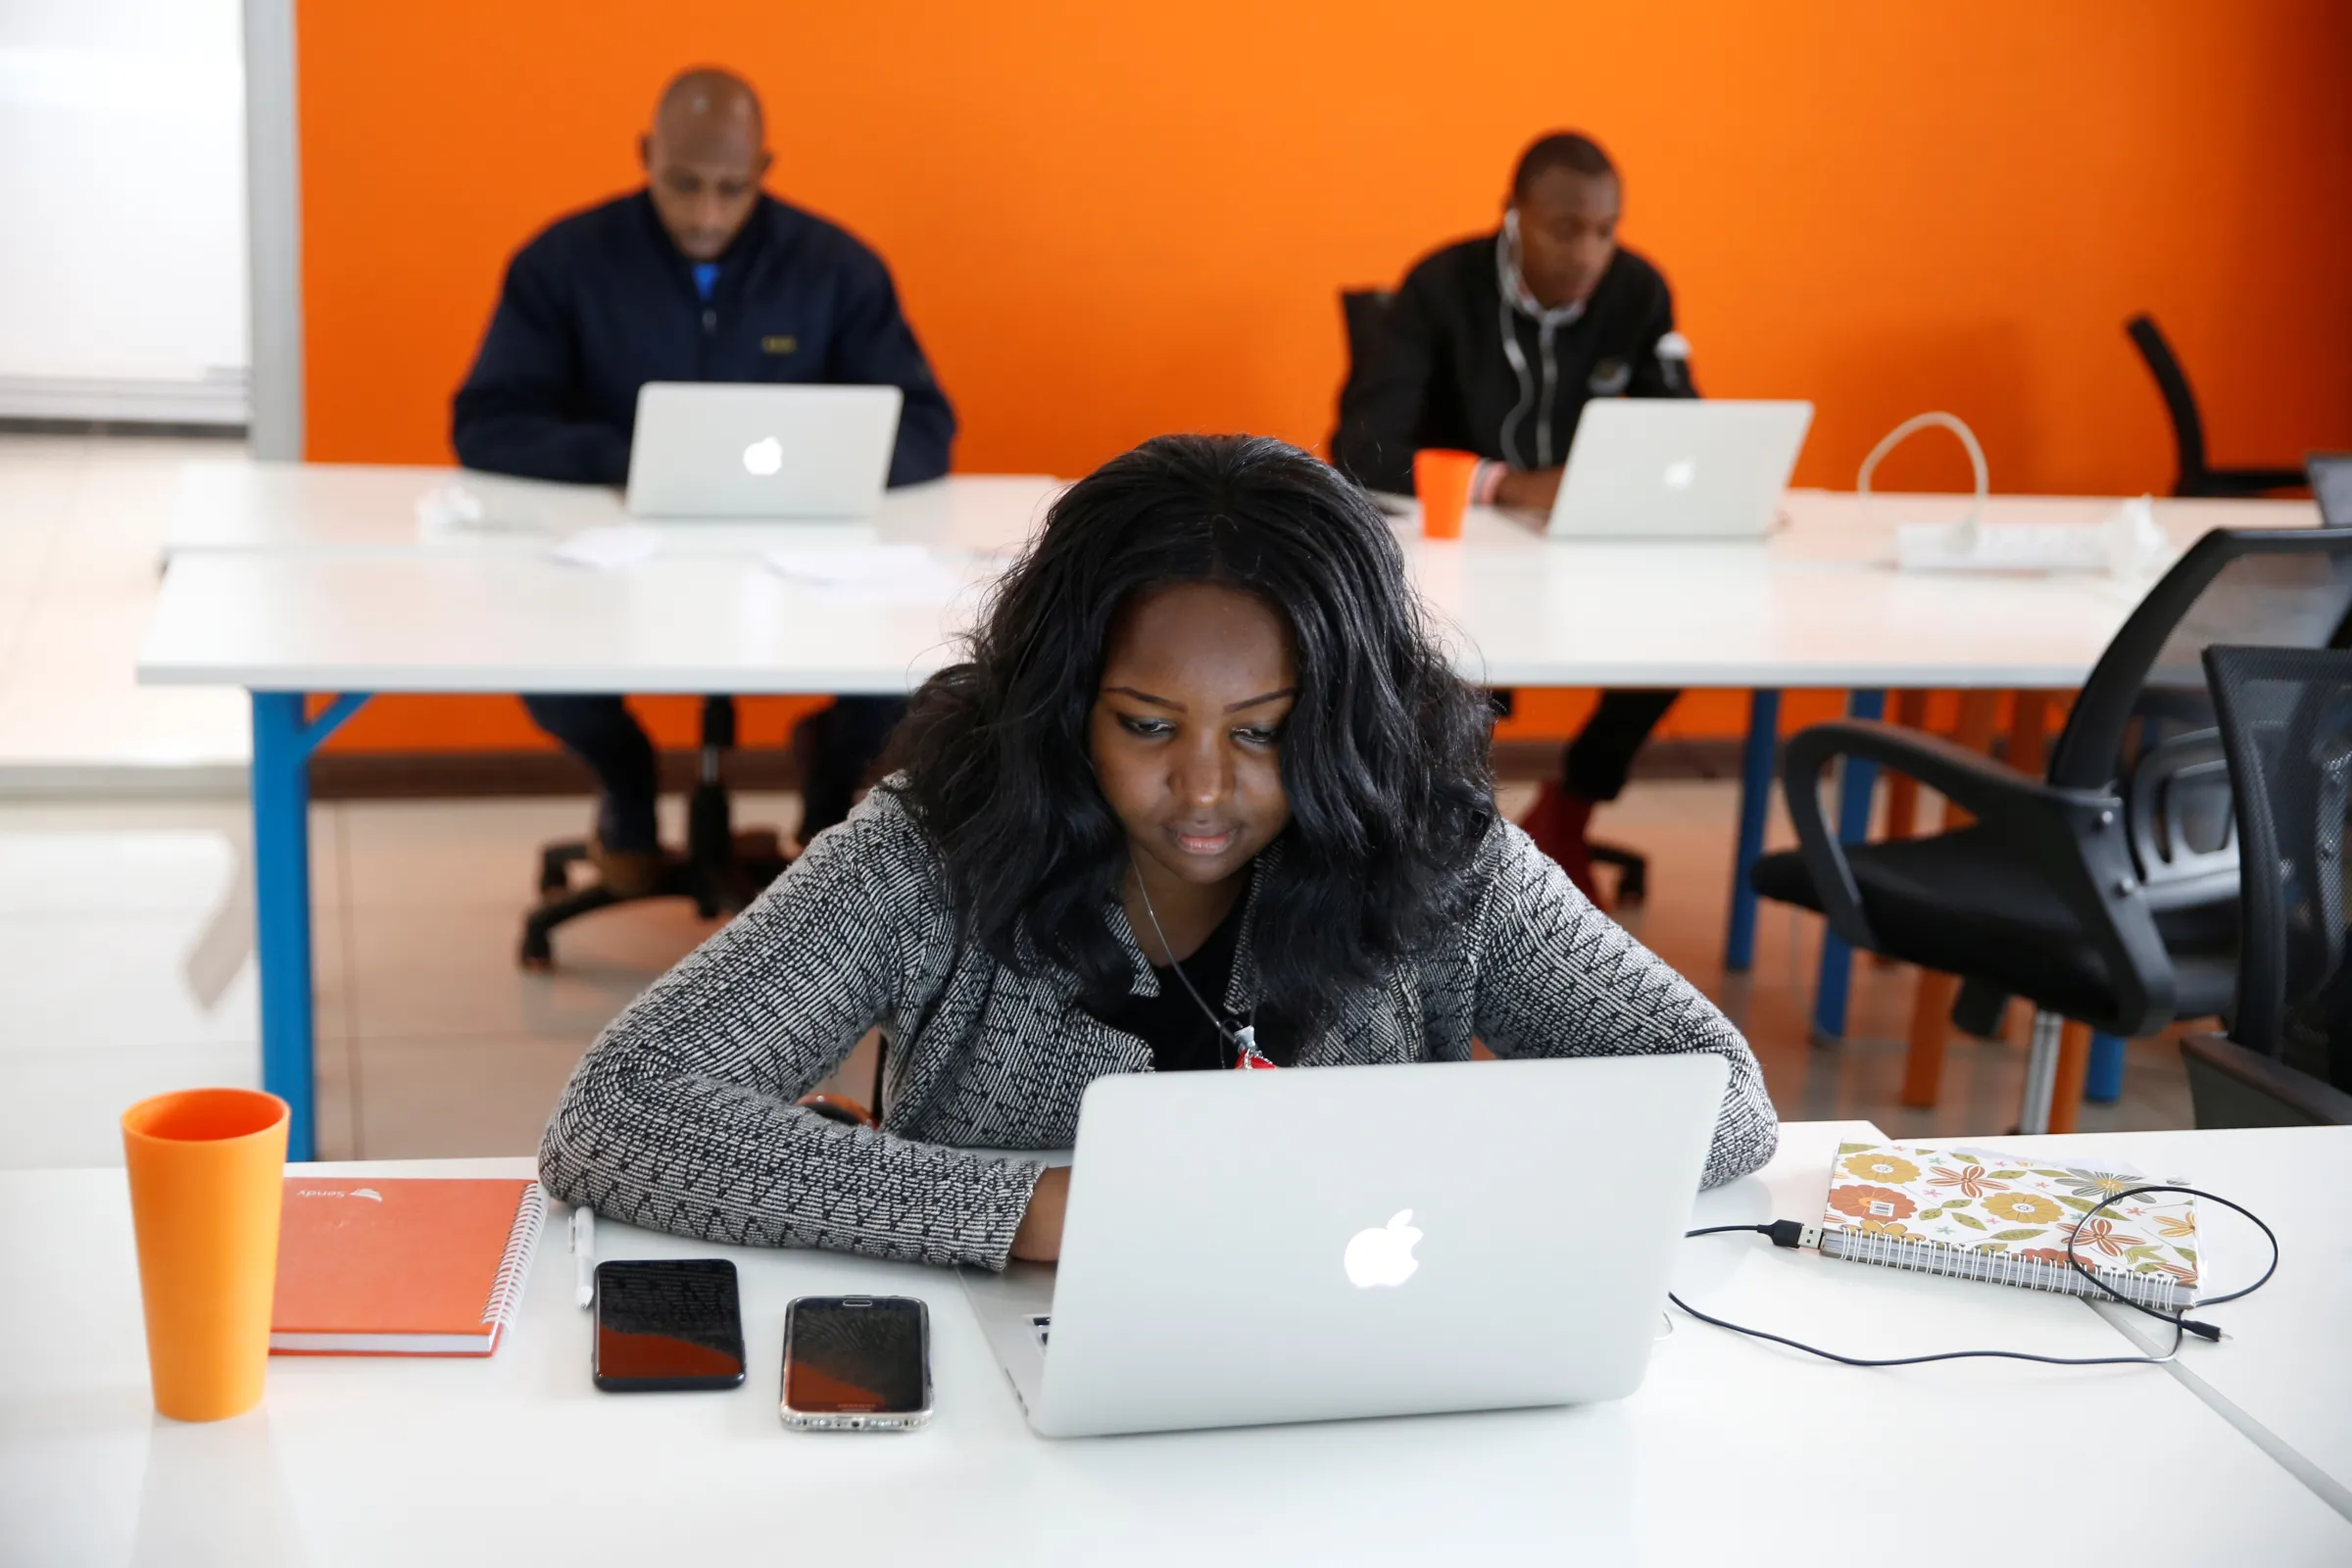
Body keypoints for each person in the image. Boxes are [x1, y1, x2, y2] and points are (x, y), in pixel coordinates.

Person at [539, 434, 1778, 1268]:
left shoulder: (1440, 860)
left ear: (1347, 721)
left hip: (1349, 1373)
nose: (1201, 784)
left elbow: (1725, 1098)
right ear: (1062, 700)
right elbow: (617, 1112)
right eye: (1144, 725)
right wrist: (1038, 1212)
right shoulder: (933, 849)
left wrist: (1435, 1175)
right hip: (998, 1385)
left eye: (1265, 734)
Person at [452, 66, 953, 893]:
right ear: (646, 155)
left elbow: (927, 427)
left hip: (802, 559)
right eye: (683, 184)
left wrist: (826, 467)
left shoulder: (837, 269)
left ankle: (830, 804)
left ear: (766, 168)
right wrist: (637, 459)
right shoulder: (563, 262)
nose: (707, 213)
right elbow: (487, 420)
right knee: (537, 653)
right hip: (619, 554)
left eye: (732, 188)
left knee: (906, 665)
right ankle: (628, 783)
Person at [1332, 131, 1694, 901]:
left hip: (1578, 549)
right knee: (1443, 676)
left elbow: (1680, 429)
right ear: (1513, 217)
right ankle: (1452, 856)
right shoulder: (1440, 286)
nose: (1589, 252)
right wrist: (1504, 484)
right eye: (1566, 229)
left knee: (1683, 638)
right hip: (1454, 552)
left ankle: (1570, 808)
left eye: (1605, 230)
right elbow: (1362, 448)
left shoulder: (1638, 291)